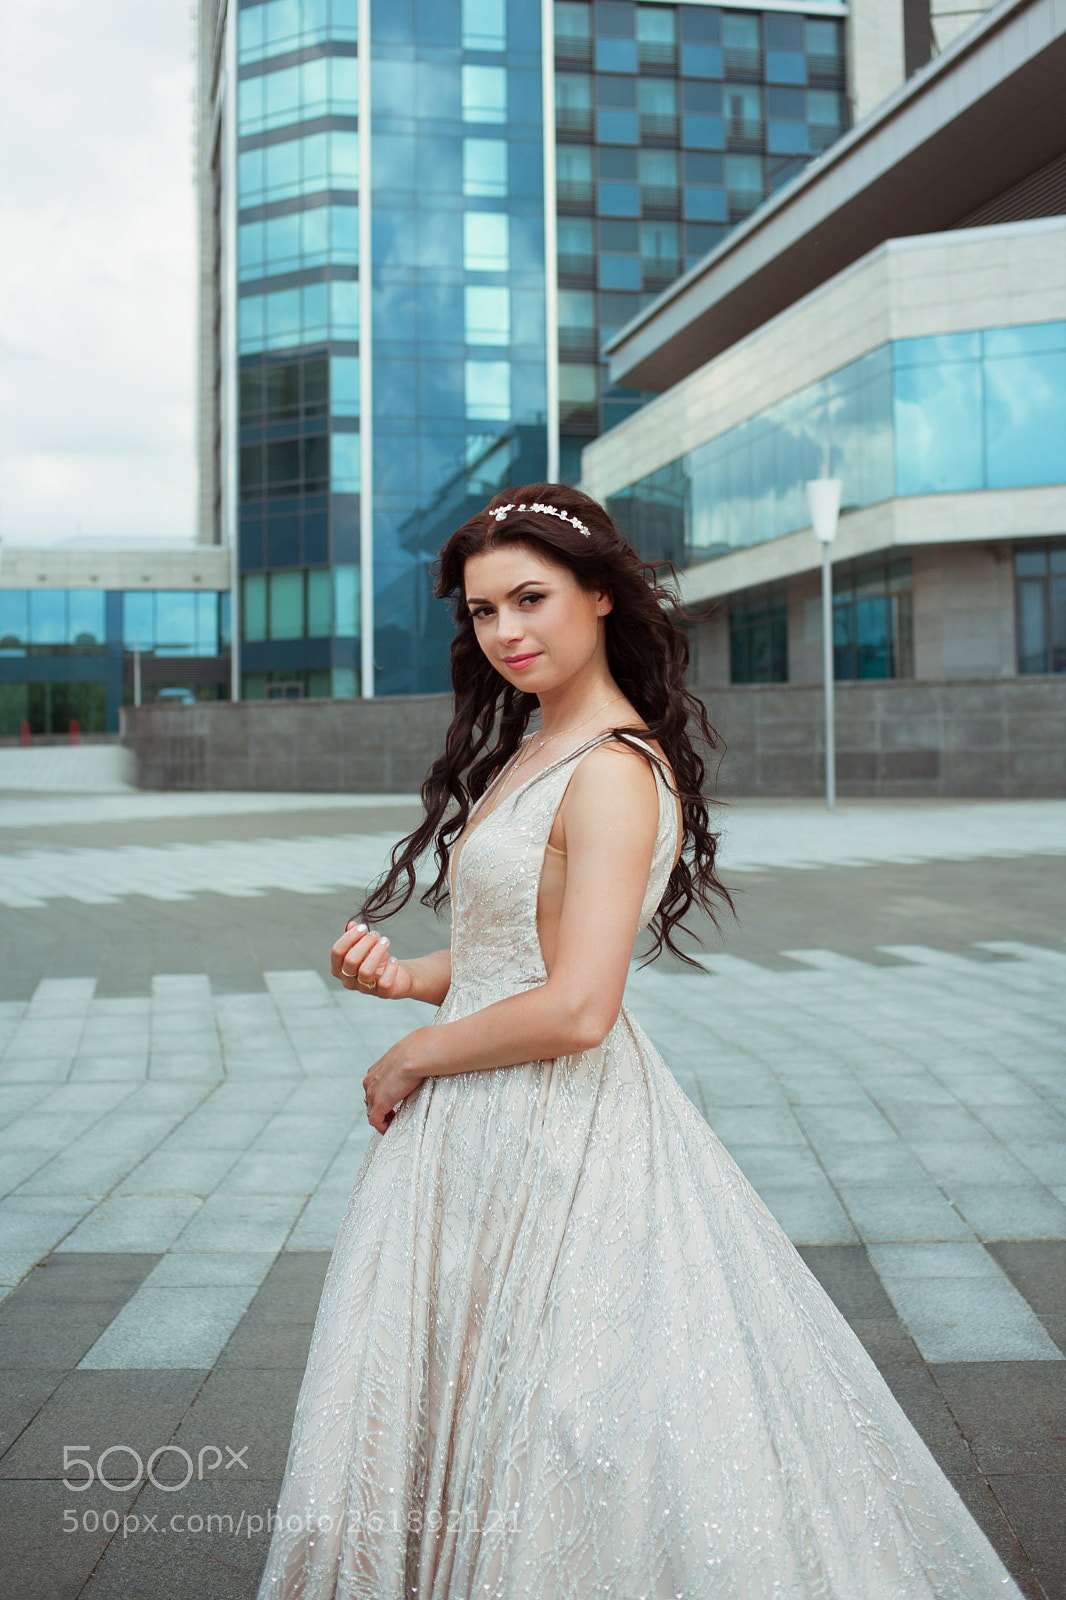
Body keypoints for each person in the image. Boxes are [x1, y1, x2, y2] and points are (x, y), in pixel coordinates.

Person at [256, 485, 1020, 1599]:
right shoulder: (528, 746)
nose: (506, 631)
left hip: (557, 1126)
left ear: (601, 595)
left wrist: (413, 1054)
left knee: (569, 1422)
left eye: (530, 598)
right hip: (478, 1130)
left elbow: (578, 1007)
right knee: (472, 1396)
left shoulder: (612, 767)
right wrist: (401, 976)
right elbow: (505, 959)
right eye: (480, 612)